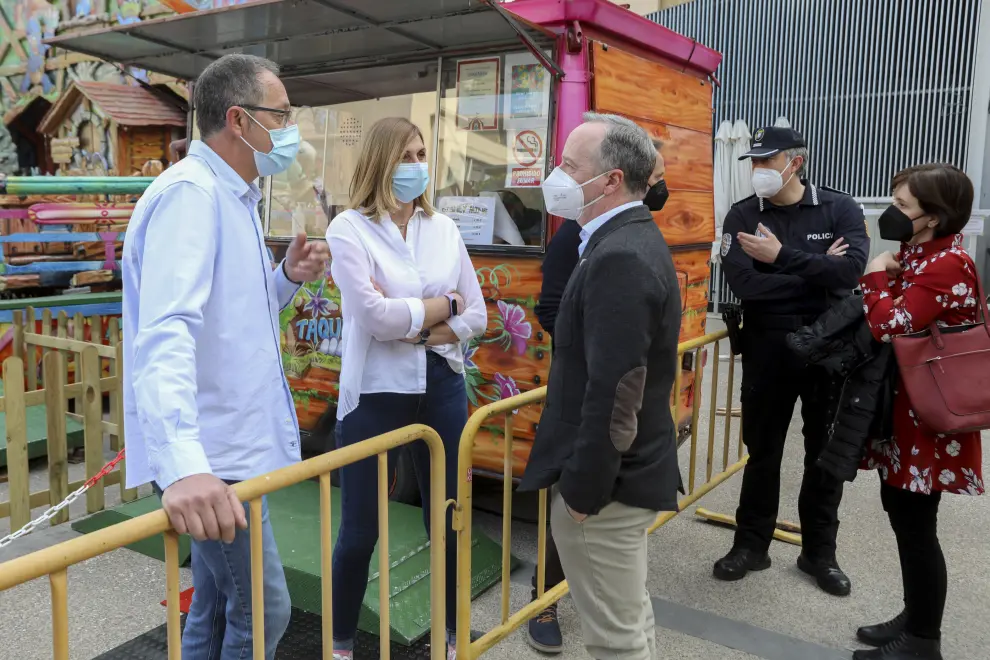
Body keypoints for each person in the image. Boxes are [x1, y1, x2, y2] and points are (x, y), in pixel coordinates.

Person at [122, 54, 329, 659]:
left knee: (214, 605)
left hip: (226, 454)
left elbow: (236, 314)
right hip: (213, 463)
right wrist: (185, 466)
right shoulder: (193, 196)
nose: (291, 129)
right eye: (282, 115)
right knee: (264, 611)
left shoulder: (230, 195)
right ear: (239, 120)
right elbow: (166, 334)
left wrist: (286, 275)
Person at [519, 113, 681, 660]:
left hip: (606, 489)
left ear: (611, 180)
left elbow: (617, 391)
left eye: (569, 165)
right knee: (626, 619)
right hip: (618, 477)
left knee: (615, 640)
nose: (556, 175)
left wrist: (584, 493)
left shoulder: (621, 256)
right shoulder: (618, 240)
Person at [325, 117, 487, 660]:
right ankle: (341, 643)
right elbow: (373, 318)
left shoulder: (442, 228)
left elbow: (480, 311)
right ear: (379, 161)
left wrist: (423, 323)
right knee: (359, 530)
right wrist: (444, 308)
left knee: (446, 517)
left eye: (422, 153)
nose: (418, 164)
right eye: (407, 154)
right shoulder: (348, 228)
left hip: (440, 381)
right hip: (374, 391)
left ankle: (449, 632)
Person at [715, 126, 869, 596]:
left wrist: (781, 256)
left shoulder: (839, 207)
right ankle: (751, 544)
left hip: (830, 349)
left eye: (768, 161)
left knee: (824, 454)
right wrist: (816, 269)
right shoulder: (741, 215)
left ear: (795, 163)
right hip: (768, 347)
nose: (759, 170)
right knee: (763, 451)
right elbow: (746, 286)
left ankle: (819, 552)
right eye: (754, 163)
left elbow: (852, 271)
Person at [852, 164, 983, 660]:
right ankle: (915, 615)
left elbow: (889, 324)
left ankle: (924, 640)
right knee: (902, 514)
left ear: (934, 216)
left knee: (915, 524)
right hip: (904, 409)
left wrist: (872, 276)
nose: (893, 212)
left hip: (927, 416)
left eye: (904, 206)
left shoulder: (947, 263)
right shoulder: (918, 254)